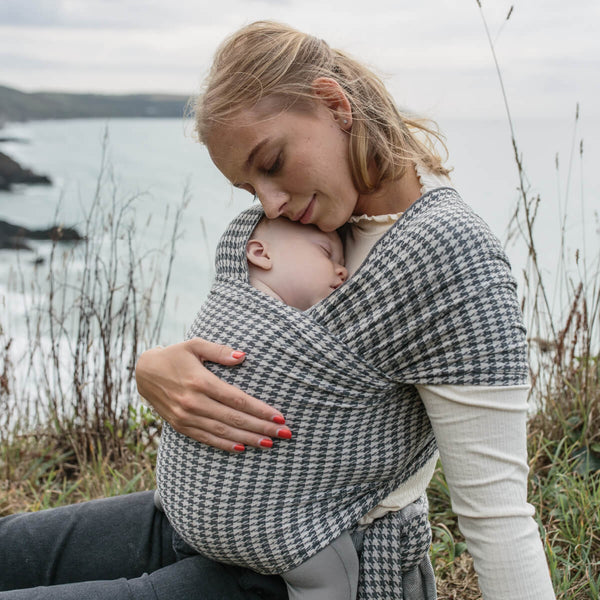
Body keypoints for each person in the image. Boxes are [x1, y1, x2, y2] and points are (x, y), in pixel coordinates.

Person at [0, 20, 556, 600]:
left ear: (334, 105)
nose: (270, 202)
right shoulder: (304, 225)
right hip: (199, 519)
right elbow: (244, 337)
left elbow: (498, 518)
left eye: (271, 162)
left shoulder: (448, 255)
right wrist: (154, 367)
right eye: (248, 188)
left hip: (312, 569)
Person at [158, 213, 362, 600]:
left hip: (180, 505)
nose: (341, 273)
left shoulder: (218, 311)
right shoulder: (264, 323)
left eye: (343, 263)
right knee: (331, 575)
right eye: (326, 253)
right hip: (265, 524)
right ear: (259, 254)